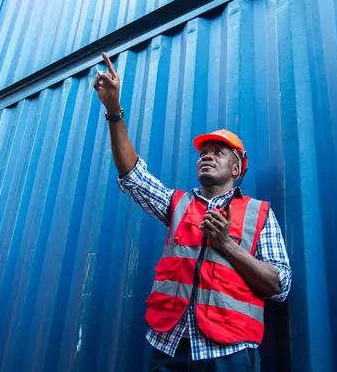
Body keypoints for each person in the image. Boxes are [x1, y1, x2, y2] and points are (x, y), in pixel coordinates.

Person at [93, 53, 291, 372]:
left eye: (218, 153)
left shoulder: (259, 214)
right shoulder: (178, 204)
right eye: (203, 153)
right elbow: (133, 176)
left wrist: (226, 245)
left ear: (237, 166)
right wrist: (114, 112)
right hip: (170, 349)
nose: (207, 157)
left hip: (229, 354)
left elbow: (280, 286)